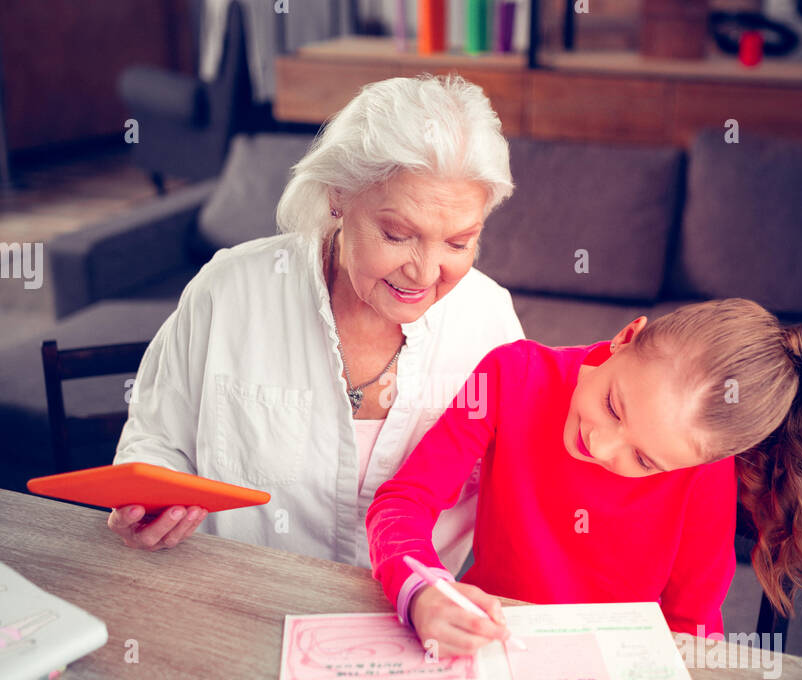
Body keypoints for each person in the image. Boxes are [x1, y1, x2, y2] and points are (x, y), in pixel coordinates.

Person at [109, 74, 524, 563]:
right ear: (338, 198)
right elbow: (156, 440)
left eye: (458, 242)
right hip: (243, 604)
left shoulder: (488, 320)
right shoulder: (228, 292)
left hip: (411, 622)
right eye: (396, 235)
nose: (425, 272)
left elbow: (522, 490)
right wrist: (147, 506)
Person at [366, 298, 802, 654]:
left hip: (615, 668)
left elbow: (690, 625)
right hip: (491, 642)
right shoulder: (511, 375)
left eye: (644, 461)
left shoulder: (705, 470)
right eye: (613, 406)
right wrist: (422, 590)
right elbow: (403, 502)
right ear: (625, 339)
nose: (599, 446)